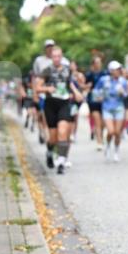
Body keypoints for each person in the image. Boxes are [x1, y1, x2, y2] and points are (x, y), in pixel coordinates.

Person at [34, 46, 82, 174]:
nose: (56, 59)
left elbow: (70, 83)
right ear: (51, 57)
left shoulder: (67, 70)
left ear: (61, 57)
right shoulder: (47, 70)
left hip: (64, 104)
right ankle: (50, 151)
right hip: (51, 104)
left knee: (63, 132)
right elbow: (37, 88)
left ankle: (61, 162)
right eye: (54, 56)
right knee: (53, 138)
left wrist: (76, 92)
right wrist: (47, 89)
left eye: (58, 56)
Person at [96, 60, 128, 162]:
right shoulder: (104, 80)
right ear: (111, 71)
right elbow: (96, 91)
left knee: (117, 132)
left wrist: (123, 92)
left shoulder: (123, 81)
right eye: (116, 69)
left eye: (119, 69)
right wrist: (99, 96)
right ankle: (107, 146)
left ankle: (116, 151)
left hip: (119, 108)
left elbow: (126, 95)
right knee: (111, 131)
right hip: (107, 108)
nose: (119, 71)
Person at [85, 54, 108, 150]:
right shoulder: (89, 74)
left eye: (100, 62)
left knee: (103, 122)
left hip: (103, 100)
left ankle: (101, 137)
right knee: (97, 121)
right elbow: (84, 86)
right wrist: (88, 87)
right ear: (93, 64)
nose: (98, 64)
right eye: (97, 63)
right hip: (93, 100)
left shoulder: (105, 73)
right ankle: (99, 141)